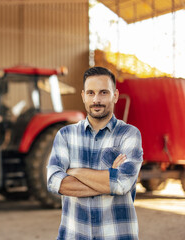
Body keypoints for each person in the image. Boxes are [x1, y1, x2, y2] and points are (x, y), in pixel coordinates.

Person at [47, 67, 143, 240]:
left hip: (117, 235)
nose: (96, 99)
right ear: (83, 96)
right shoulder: (65, 135)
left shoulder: (129, 134)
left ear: (115, 95)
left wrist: (73, 172)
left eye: (103, 92)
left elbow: (122, 183)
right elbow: (56, 182)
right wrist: (108, 179)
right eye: (91, 93)